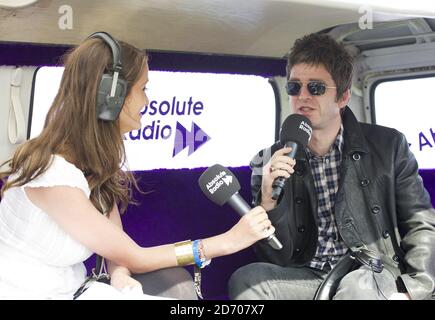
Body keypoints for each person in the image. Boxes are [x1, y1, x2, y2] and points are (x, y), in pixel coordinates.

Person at [0, 32, 275, 300]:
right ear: (112, 98)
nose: (147, 101)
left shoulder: (93, 164)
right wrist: (228, 242)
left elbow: (116, 246)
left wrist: (119, 273)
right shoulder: (52, 176)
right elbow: (136, 256)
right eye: (143, 89)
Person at [228, 33, 435, 300]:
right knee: (246, 280)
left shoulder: (389, 145)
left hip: (373, 272)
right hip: (308, 274)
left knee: (355, 289)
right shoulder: (267, 160)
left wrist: (414, 289)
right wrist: (269, 203)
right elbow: (274, 255)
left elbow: (421, 223)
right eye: (294, 87)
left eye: (315, 88)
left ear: (343, 97)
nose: (302, 96)